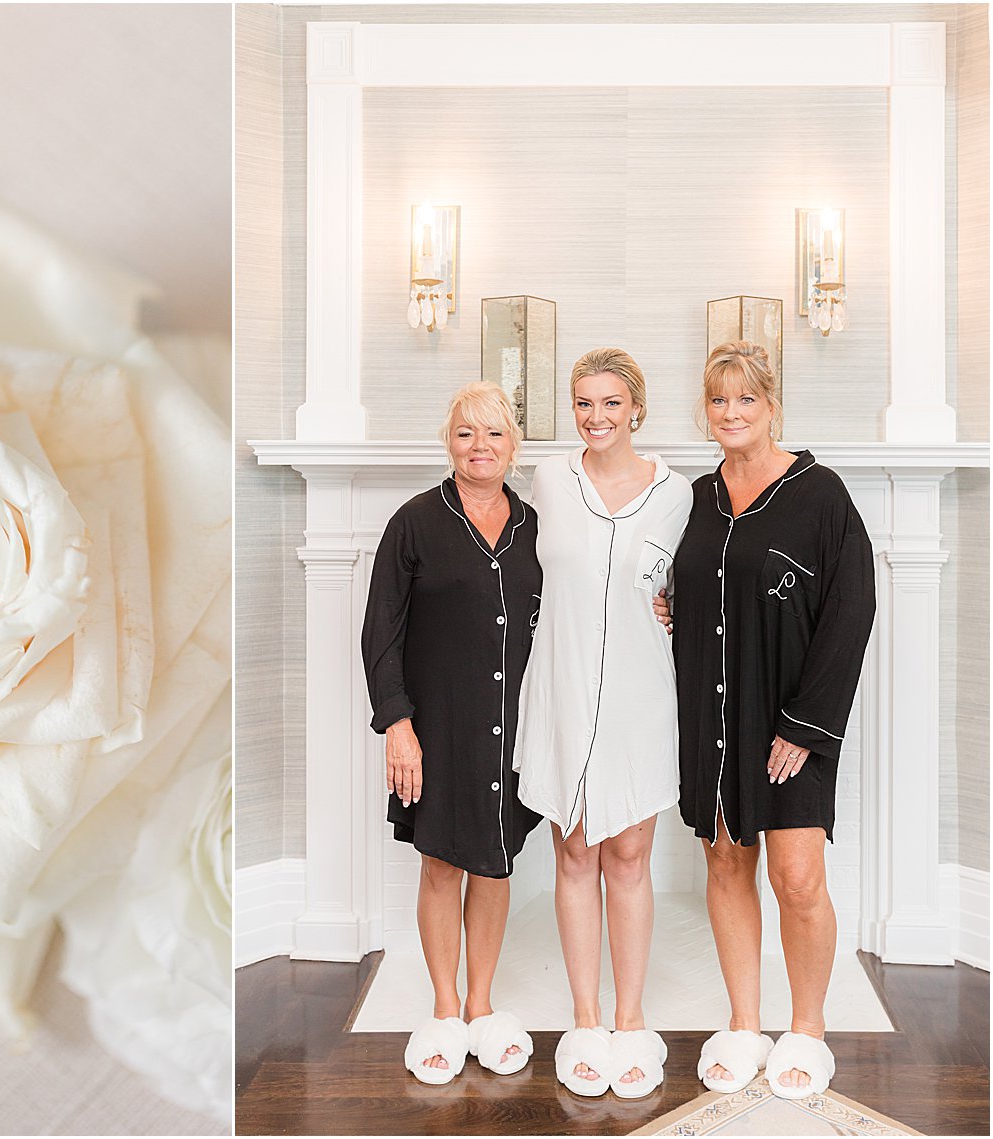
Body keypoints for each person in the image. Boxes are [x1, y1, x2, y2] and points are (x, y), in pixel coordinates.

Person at [664, 341, 875, 1100]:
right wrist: (672, 607)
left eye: (745, 399)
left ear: (772, 405)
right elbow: (689, 584)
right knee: (725, 862)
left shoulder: (820, 494)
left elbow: (852, 611)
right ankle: (745, 1022)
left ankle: (808, 1028)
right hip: (714, 713)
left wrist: (807, 725)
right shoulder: (694, 496)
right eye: (718, 400)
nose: (731, 413)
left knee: (796, 875)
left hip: (791, 719)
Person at [512, 348, 692, 1098]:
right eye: (584, 403)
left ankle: (630, 1017)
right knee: (576, 851)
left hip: (640, 693)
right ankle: (585, 1020)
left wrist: (674, 606)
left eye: (610, 404)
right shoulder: (549, 477)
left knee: (630, 853)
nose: (596, 417)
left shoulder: (677, 493)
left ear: (636, 410)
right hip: (561, 687)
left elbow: (698, 578)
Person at [361, 382, 543, 1086]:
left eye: (493, 434)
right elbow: (382, 633)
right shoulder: (414, 523)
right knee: (441, 861)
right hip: (437, 725)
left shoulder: (533, 524)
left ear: (512, 446)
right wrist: (397, 725)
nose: (480, 446)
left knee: (495, 861)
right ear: (449, 441)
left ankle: (481, 1004)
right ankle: (443, 1009)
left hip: (513, 726)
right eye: (466, 433)